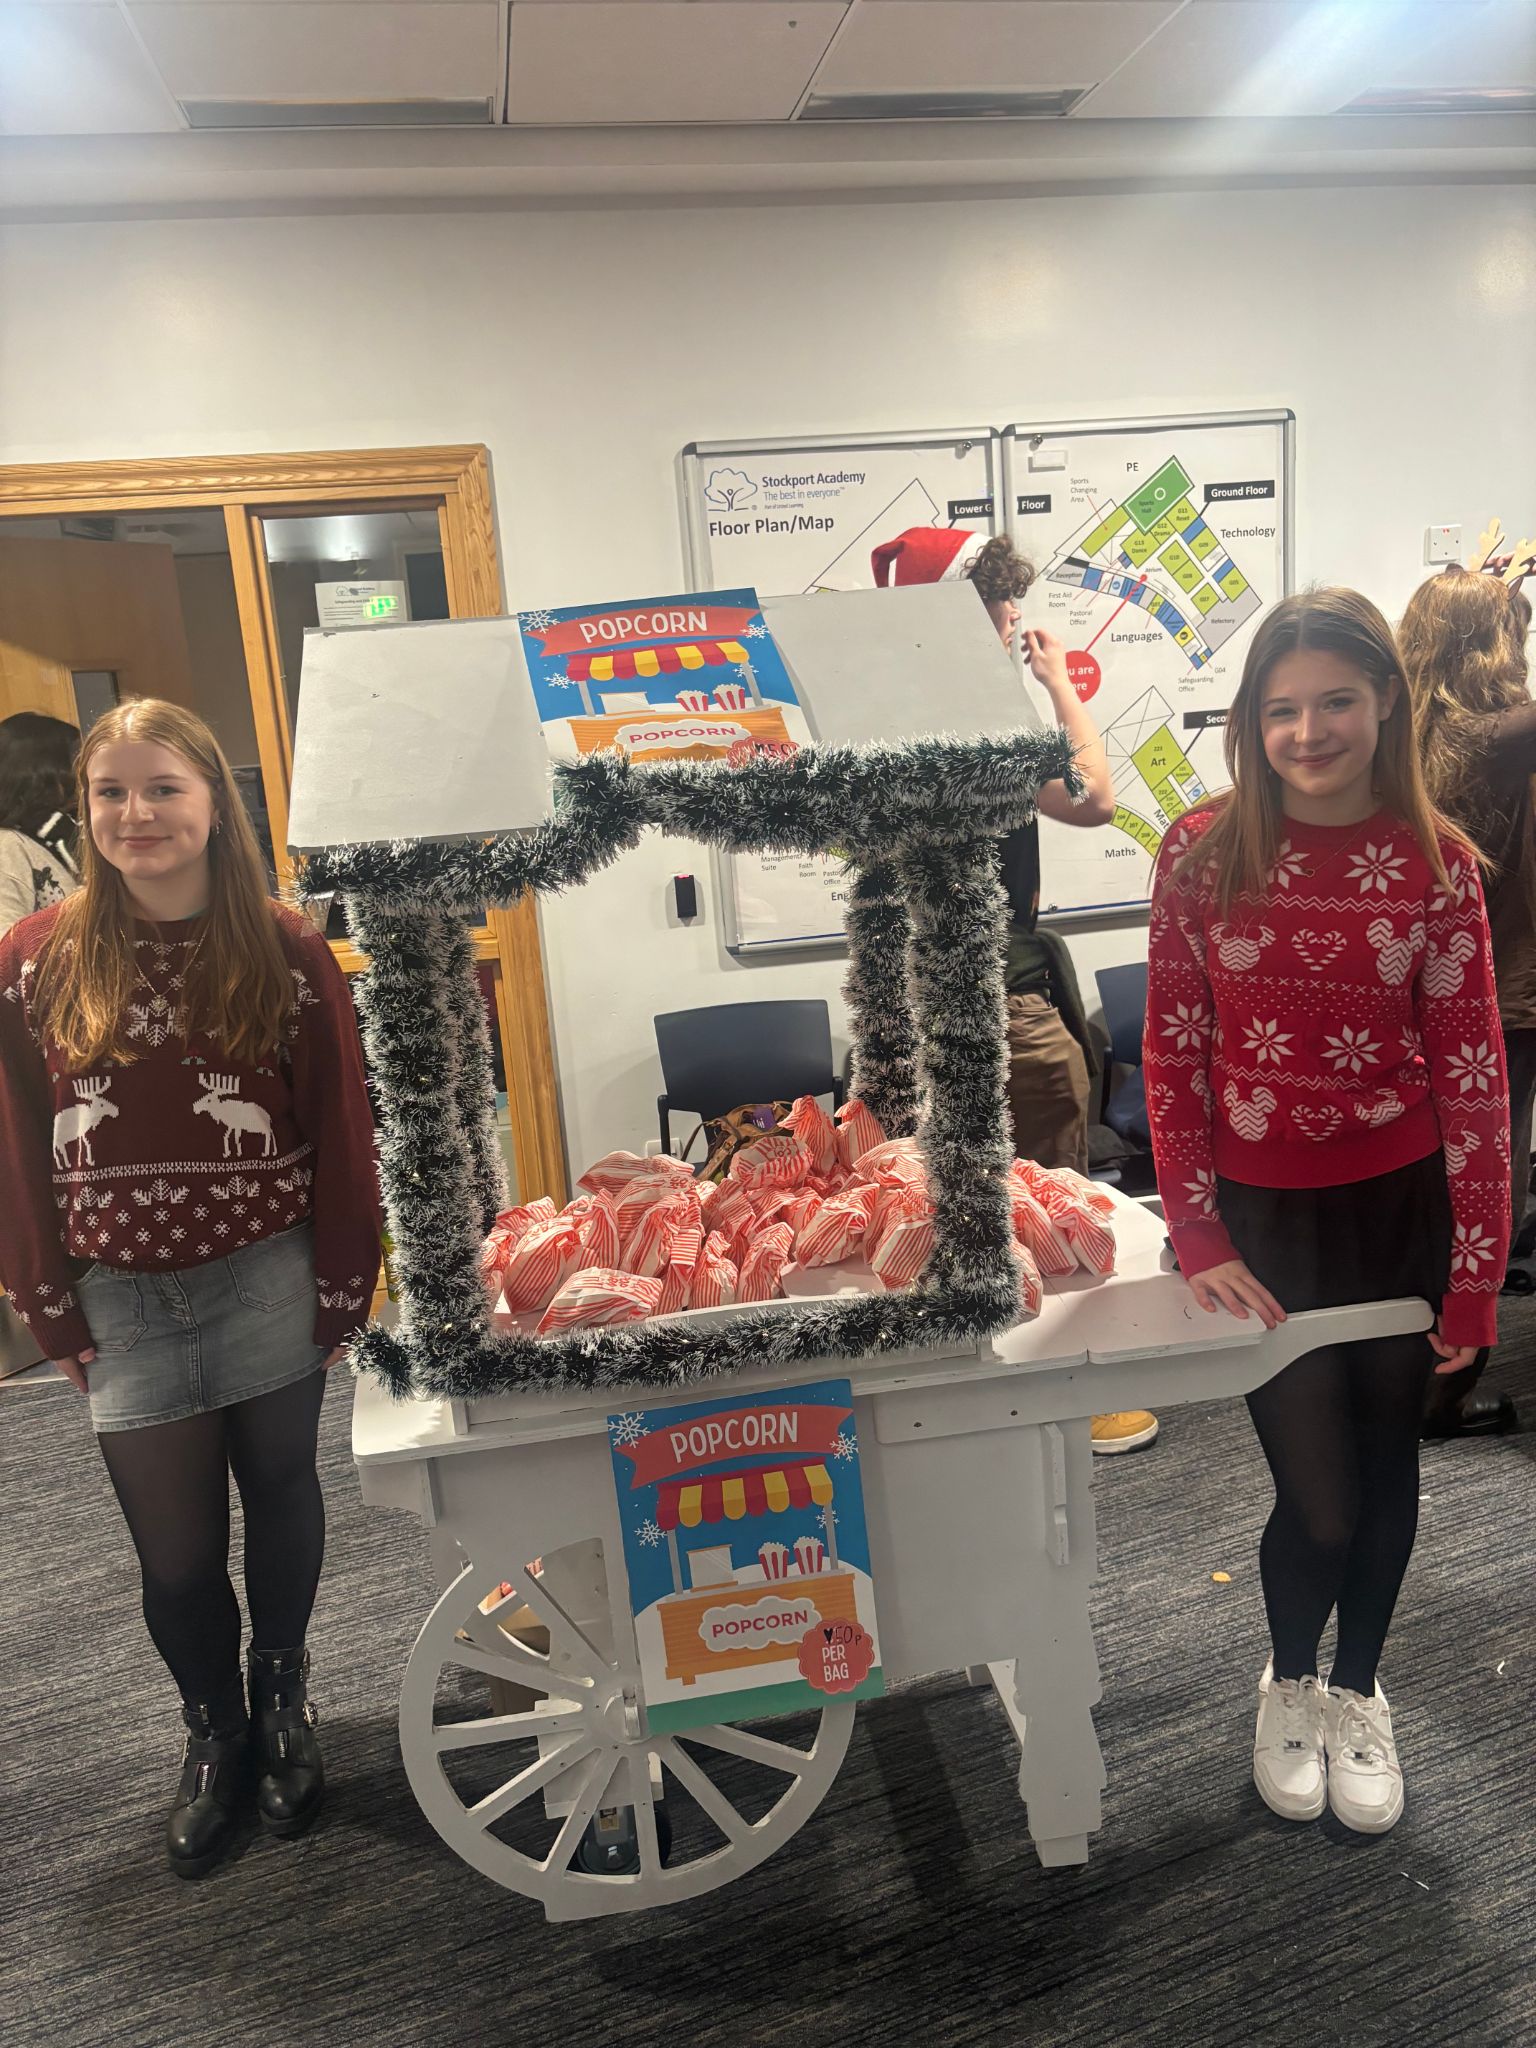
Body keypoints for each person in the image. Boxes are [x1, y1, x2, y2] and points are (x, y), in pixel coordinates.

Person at [1144, 588, 1507, 1836]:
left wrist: (1476, 1276)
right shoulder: (1202, 851)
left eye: (1336, 700)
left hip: (1398, 1216)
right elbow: (1172, 1052)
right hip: (1268, 1225)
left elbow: (1474, 1081)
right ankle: (1289, 1678)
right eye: (1281, 707)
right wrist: (1197, 1228)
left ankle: (1358, 1688)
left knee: (1388, 1466)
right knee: (1322, 1497)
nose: (1309, 731)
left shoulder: (1439, 866)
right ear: (1252, 719)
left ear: (1387, 699)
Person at [0, 698, 380, 1879]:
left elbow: (341, 1121)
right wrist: (42, 1295)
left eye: (162, 787)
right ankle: (213, 1730)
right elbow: (15, 1134)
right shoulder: (32, 959)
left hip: (267, 1274)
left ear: (214, 799)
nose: (137, 812)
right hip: (121, 1298)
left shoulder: (286, 947)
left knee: (282, 1490)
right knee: (173, 1554)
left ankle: (284, 1697)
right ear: (85, 807)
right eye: (111, 791)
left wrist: (345, 1278)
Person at [873, 527, 1159, 1456]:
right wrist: (1060, 686)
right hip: (990, 996)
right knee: (1034, 1189)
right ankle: (1053, 1390)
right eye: (999, 613)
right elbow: (1096, 797)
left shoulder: (899, 720)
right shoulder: (971, 724)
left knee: (973, 1192)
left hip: (941, 992)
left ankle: (1001, 1382)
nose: (1011, 628)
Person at [1402, 564, 1536, 1436]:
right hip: (1503, 996)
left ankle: (1412, 1372)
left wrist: (1492, 594)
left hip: (1424, 990)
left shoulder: (1407, 732)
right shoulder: (1499, 735)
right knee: (1492, 1185)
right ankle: (1443, 1395)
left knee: (1437, 1182)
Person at [0, 711, 81, 934]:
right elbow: (6, 941)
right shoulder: (8, 846)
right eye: (76, 761)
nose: (85, 773)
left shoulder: (71, 831)